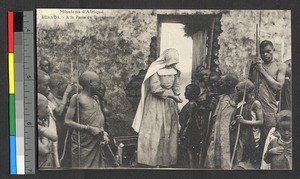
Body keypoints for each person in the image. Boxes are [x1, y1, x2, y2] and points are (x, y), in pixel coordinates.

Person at [132, 48, 182, 167]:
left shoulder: (175, 71)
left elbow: (176, 87)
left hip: (169, 103)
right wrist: (172, 96)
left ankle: (166, 160)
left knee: (169, 129)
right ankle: (150, 160)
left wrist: (176, 96)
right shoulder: (155, 70)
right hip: (155, 102)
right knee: (154, 129)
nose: (173, 65)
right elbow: (155, 89)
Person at [64, 71, 109, 168]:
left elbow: (100, 119)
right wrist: (89, 128)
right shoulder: (77, 98)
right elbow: (67, 121)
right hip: (83, 143)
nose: (100, 86)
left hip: (96, 141)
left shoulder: (96, 98)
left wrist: (103, 132)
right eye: (98, 83)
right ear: (90, 83)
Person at [249, 40, 286, 140]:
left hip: (269, 108)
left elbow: (278, 87)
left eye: (268, 51)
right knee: (253, 138)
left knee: (268, 137)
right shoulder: (256, 65)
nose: (265, 54)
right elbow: (250, 83)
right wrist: (253, 67)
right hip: (254, 106)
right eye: (262, 52)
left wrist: (262, 70)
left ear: (273, 50)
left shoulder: (280, 66)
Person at [204, 73, 239, 169]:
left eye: (222, 83)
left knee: (226, 149)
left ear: (229, 84)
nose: (219, 85)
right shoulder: (221, 97)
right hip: (218, 129)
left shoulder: (237, 99)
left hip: (228, 131)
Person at [232, 80, 264, 169]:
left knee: (249, 160)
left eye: (239, 90)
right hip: (242, 134)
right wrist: (236, 121)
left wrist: (244, 121)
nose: (237, 92)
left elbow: (261, 122)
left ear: (247, 90)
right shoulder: (241, 103)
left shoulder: (256, 103)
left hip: (252, 135)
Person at [48, 73, 75, 167]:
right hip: (58, 132)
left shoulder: (58, 97)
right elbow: (59, 112)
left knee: (66, 156)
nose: (66, 89)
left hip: (64, 132)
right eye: (65, 86)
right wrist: (66, 93)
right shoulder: (49, 96)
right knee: (59, 155)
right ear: (59, 85)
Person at [38, 70, 60, 168]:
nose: (49, 89)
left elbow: (54, 137)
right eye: (46, 85)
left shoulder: (45, 102)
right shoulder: (40, 103)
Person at [178, 84, 201, 168]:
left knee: (189, 151)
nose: (184, 93)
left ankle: (190, 169)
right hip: (187, 130)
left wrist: (183, 133)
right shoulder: (190, 104)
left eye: (187, 91)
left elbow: (189, 120)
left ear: (194, 94)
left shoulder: (191, 104)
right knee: (187, 151)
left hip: (189, 132)